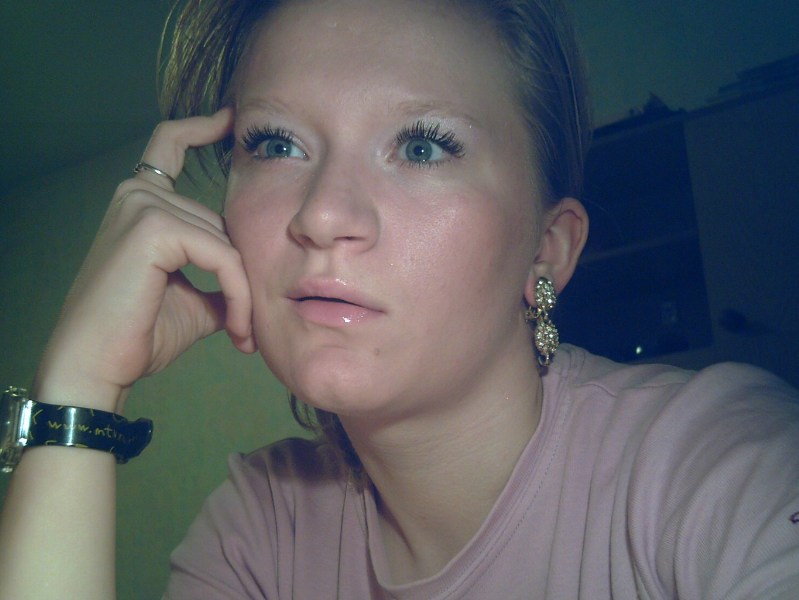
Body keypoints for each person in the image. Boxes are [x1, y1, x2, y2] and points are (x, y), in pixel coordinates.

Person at [1, 0, 797, 597]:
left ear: (546, 248)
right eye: (277, 144)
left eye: (421, 146)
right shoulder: (261, 527)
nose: (322, 215)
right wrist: (79, 391)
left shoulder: (721, 465)